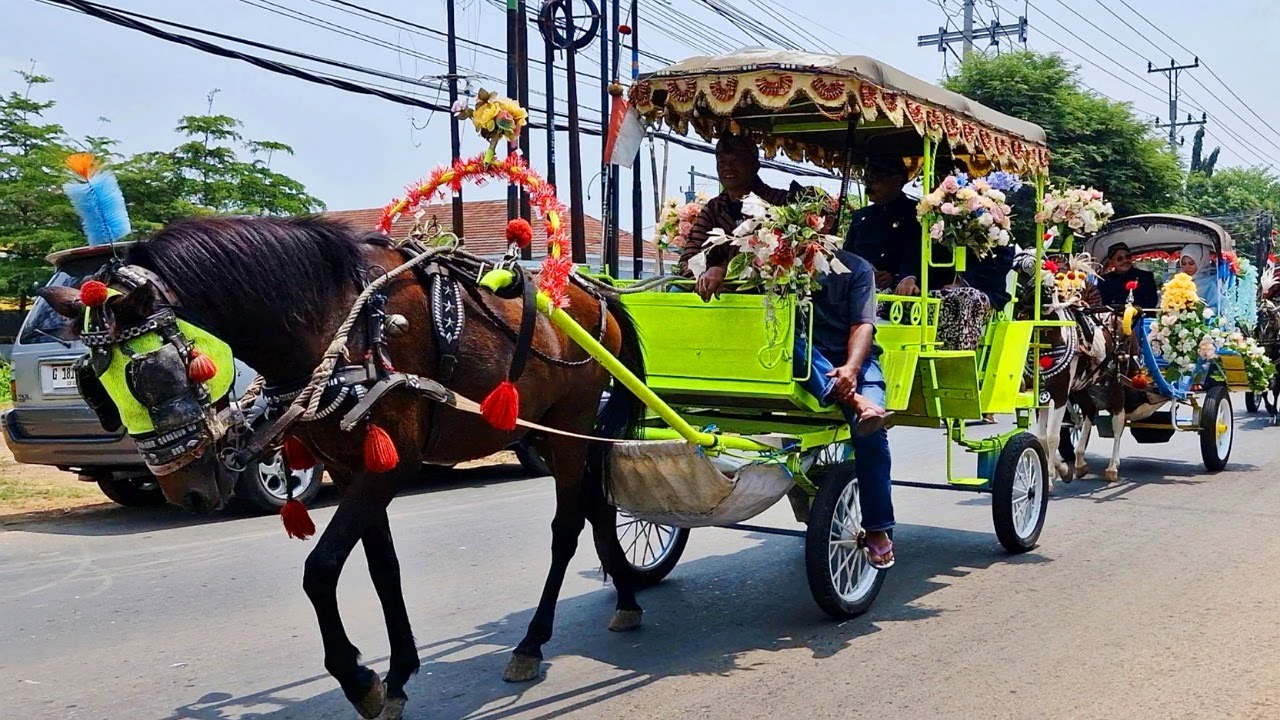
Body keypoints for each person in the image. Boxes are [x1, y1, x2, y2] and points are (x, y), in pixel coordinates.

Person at [792, 249, 897, 569]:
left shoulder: (857, 267)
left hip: (856, 361)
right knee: (785, 339)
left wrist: (851, 368)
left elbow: (863, 325)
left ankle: (877, 527)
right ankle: (855, 402)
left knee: (871, 435)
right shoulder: (774, 263)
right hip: (804, 359)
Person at [678, 134, 797, 300]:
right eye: (722, 162)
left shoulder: (780, 203)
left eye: (736, 161)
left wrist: (725, 272)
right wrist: (704, 280)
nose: (727, 167)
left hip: (771, 300)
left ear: (755, 166)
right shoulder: (713, 209)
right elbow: (689, 257)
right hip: (719, 303)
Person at [844, 157, 922, 293]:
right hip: (859, 288)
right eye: (867, 179)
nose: (869, 186)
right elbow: (848, 256)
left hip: (897, 292)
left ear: (896, 180)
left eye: (875, 179)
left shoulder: (916, 213)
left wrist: (897, 277)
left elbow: (914, 252)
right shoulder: (860, 216)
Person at [1098, 243, 1158, 307]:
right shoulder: (1104, 281)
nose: (1125, 260)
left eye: (1128, 257)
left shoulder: (1145, 277)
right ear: (1111, 262)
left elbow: (1151, 302)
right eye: (1120, 258)